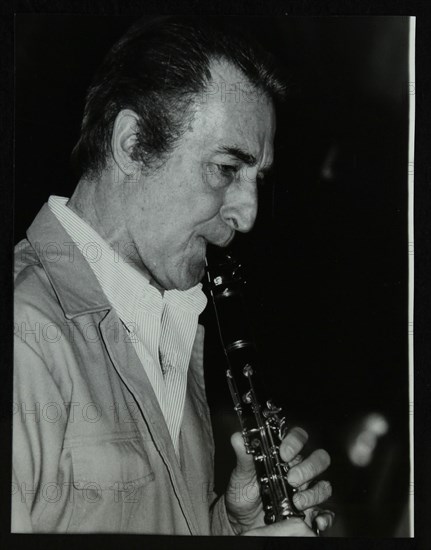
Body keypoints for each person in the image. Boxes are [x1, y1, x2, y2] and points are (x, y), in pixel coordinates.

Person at [13, 16, 333, 535]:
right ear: (133, 144)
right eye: (226, 168)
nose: (246, 214)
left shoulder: (167, 319)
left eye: (257, 178)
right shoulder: (22, 331)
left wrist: (235, 523)